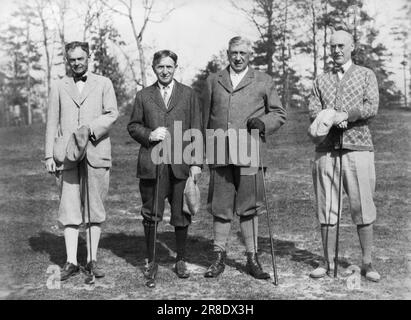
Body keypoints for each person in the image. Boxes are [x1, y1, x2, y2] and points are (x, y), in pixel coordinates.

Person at [202, 36, 286, 279]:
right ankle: (218, 257)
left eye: (242, 53)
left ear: (250, 55)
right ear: (227, 53)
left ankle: (252, 258)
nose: (237, 57)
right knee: (220, 205)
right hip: (220, 151)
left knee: (249, 205)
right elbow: (204, 117)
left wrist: (264, 122)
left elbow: (279, 113)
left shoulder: (263, 80)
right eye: (233, 53)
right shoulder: (213, 80)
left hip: (250, 151)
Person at [308, 27, 380, 282]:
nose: (336, 51)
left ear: (352, 48)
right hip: (326, 151)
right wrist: (328, 118)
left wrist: (345, 116)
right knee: (327, 208)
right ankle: (326, 262)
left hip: (358, 149)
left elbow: (371, 106)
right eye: (333, 47)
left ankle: (368, 263)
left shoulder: (365, 75)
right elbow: (313, 108)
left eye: (341, 46)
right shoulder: (321, 79)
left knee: (363, 207)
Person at [44, 41, 118, 281]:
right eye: (72, 59)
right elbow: (51, 123)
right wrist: (48, 155)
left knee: (95, 208)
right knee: (69, 208)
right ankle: (71, 261)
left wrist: (89, 130)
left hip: (96, 153)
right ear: (68, 60)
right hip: (66, 156)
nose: (76, 63)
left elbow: (111, 113)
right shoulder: (58, 86)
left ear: (88, 58)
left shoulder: (104, 83)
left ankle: (92, 260)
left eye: (80, 58)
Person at [127, 50, 202, 279]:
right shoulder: (143, 96)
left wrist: (197, 163)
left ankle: (180, 260)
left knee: (182, 214)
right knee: (151, 214)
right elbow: (133, 126)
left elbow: (196, 129)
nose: (165, 71)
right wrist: (150, 134)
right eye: (161, 67)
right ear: (154, 68)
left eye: (169, 67)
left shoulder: (188, 95)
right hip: (153, 165)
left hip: (181, 165)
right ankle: (152, 261)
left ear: (175, 68)